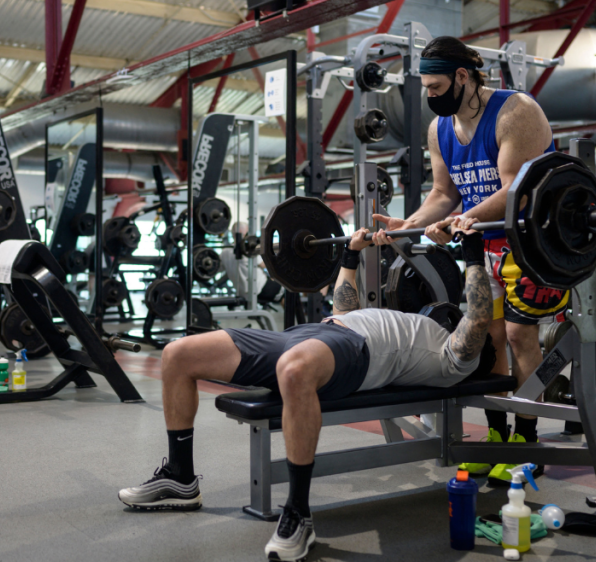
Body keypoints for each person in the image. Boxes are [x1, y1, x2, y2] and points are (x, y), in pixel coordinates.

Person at [117, 218, 493, 562]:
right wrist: (352, 253)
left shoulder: (457, 358)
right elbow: (345, 306)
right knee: (177, 354)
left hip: (354, 354)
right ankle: (181, 478)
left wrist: (471, 250)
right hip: (313, 333)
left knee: (293, 370)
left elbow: (477, 316)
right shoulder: (408, 319)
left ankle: (298, 512)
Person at [371, 36, 567, 485]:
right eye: (426, 87)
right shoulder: (439, 131)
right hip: (484, 245)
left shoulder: (516, 112)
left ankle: (527, 439)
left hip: (534, 242)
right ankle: (498, 436)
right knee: (489, 337)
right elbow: (443, 195)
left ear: (463, 76)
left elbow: (516, 189)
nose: (430, 95)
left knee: (520, 335)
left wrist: (463, 219)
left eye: (437, 85)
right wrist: (407, 225)